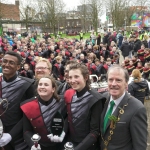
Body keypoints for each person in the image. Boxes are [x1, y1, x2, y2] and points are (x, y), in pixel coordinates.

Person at [101, 65, 147, 150]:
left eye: (118, 80)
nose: (113, 84)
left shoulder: (137, 108)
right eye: (111, 79)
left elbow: (140, 146)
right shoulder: (103, 99)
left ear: (126, 83)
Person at [64, 63, 105, 150]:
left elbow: (94, 132)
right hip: (72, 143)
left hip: (88, 146)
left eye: (76, 77)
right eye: (70, 77)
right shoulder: (71, 94)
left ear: (86, 77)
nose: (72, 80)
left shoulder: (95, 98)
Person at [0, 51, 35, 150]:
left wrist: (11, 135)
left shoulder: (27, 85)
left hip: (18, 137)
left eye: (11, 62)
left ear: (18, 67)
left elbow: (28, 115)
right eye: (5, 61)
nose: (6, 64)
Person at [21, 76, 67, 150]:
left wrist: (62, 132)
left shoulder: (63, 102)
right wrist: (33, 144)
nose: (42, 87)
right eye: (40, 84)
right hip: (39, 145)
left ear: (53, 89)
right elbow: (26, 131)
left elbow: (67, 120)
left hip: (60, 145)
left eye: (46, 85)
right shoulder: (28, 105)